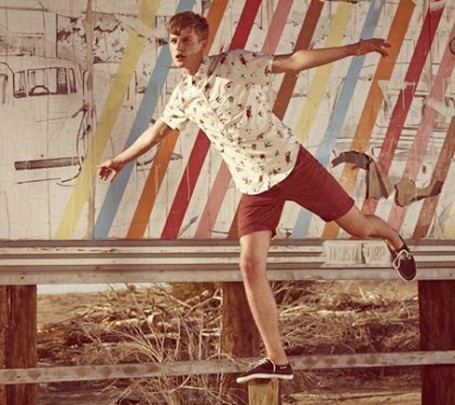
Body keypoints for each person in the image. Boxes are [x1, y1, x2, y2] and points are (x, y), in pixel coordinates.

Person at [98, 11, 417, 383]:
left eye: (186, 40)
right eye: (173, 41)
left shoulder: (235, 64)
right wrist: (120, 160)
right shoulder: (184, 96)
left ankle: (395, 240)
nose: (178, 48)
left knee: (360, 228)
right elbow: (157, 132)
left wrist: (352, 49)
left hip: (291, 164)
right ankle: (277, 360)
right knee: (249, 264)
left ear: (203, 43)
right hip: (254, 184)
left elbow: (294, 61)